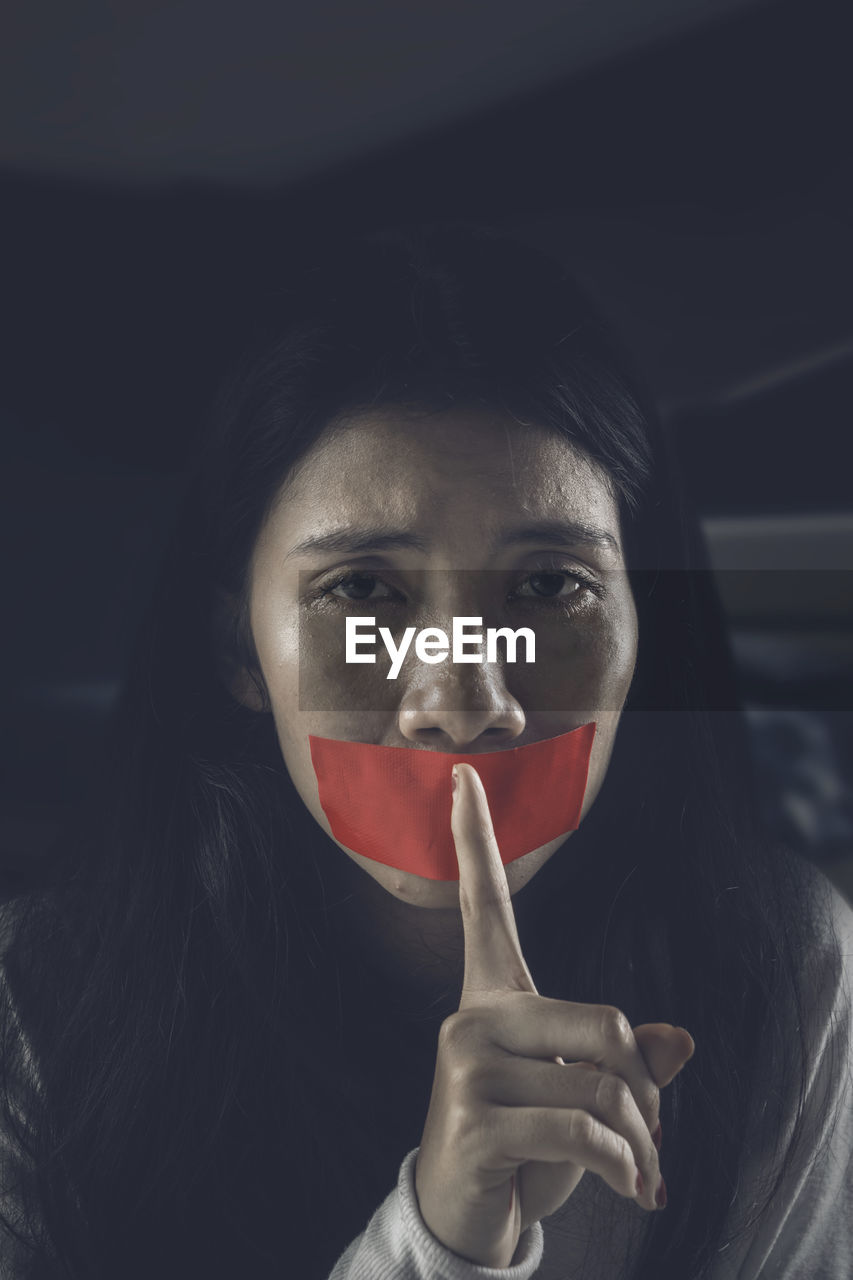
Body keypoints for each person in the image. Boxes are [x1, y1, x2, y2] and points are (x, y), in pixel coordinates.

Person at [0, 226, 850, 1280]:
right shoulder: (33, 1013)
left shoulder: (783, 970)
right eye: (362, 589)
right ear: (238, 649)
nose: (463, 703)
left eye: (548, 586)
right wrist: (442, 1246)